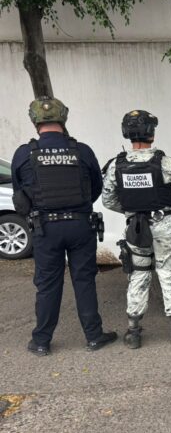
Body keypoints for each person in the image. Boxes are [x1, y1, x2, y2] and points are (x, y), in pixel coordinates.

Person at [11, 97, 117, 356]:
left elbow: (19, 194)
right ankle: (94, 337)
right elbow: (96, 188)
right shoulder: (82, 151)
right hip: (80, 225)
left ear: (35, 121)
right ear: (63, 118)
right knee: (84, 280)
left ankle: (41, 341)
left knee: (47, 284)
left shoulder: (24, 154)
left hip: (45, 228)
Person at [102, 110, 171, 349]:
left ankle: (133, 332)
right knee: (169, 274)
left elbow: (108, 200)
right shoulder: (166, 163)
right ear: (151, 133)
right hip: (165, 229)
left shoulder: (115, 166)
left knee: (138, 275)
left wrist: (133, 212)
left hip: (136, 229)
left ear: (127, 133)